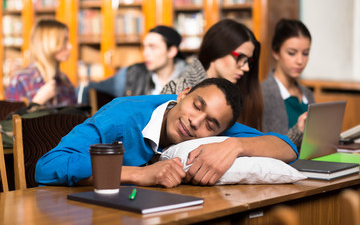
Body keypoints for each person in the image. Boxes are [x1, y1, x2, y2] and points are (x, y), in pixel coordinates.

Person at [35, 78, 298, 188]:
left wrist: (234, 146)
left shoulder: (219, 127)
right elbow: (47, 167)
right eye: (197, 105)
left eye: (211, 125)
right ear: (183, 94)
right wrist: (139, 174)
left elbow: (287, 147)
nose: (196, 122)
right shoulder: (121, 117)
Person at [161, 19, 263, 130]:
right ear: (218, 48)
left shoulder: (242, 94)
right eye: (240, 57)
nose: (246, 67)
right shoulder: (177, 88)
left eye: (248, 61)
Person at [78, 25, 188, 104]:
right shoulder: (132, 73)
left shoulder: (191, 77)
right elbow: (89, 88)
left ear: (172, 51)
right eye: (144, 47)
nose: (145, 53)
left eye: (152, 47)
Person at [261, 18, 315, 149]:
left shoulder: (307, 94)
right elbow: (266, 147)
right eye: (292, 53)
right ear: (275, 52)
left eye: (305, 53)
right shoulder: (262, 94)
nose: (300, 61)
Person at [5, 19, 77, 107]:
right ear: (49, 43)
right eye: (64, 41)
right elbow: (11, 120)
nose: (70, 46)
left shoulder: (65, 82)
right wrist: (38, 101)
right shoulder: (21, 80)